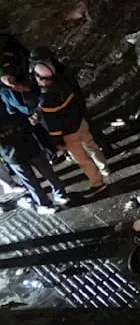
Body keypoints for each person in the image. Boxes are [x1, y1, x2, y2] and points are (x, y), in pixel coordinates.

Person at [32, 61, 109, 193]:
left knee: (82, 160)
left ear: (41, 78)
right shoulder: (64, 85)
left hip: (68, 134)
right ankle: (104, 168)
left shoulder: (46, 99)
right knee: (92, 146)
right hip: (80, 124)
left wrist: (58, 142)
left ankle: (98, 182)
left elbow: (53, 125)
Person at [0, 116, 67, 215]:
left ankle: (45, 205)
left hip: (12, 155)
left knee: (31, 183)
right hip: (29, 145)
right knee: (48, 172)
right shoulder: (6, 107)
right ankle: (61, 195)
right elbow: (27, 124)